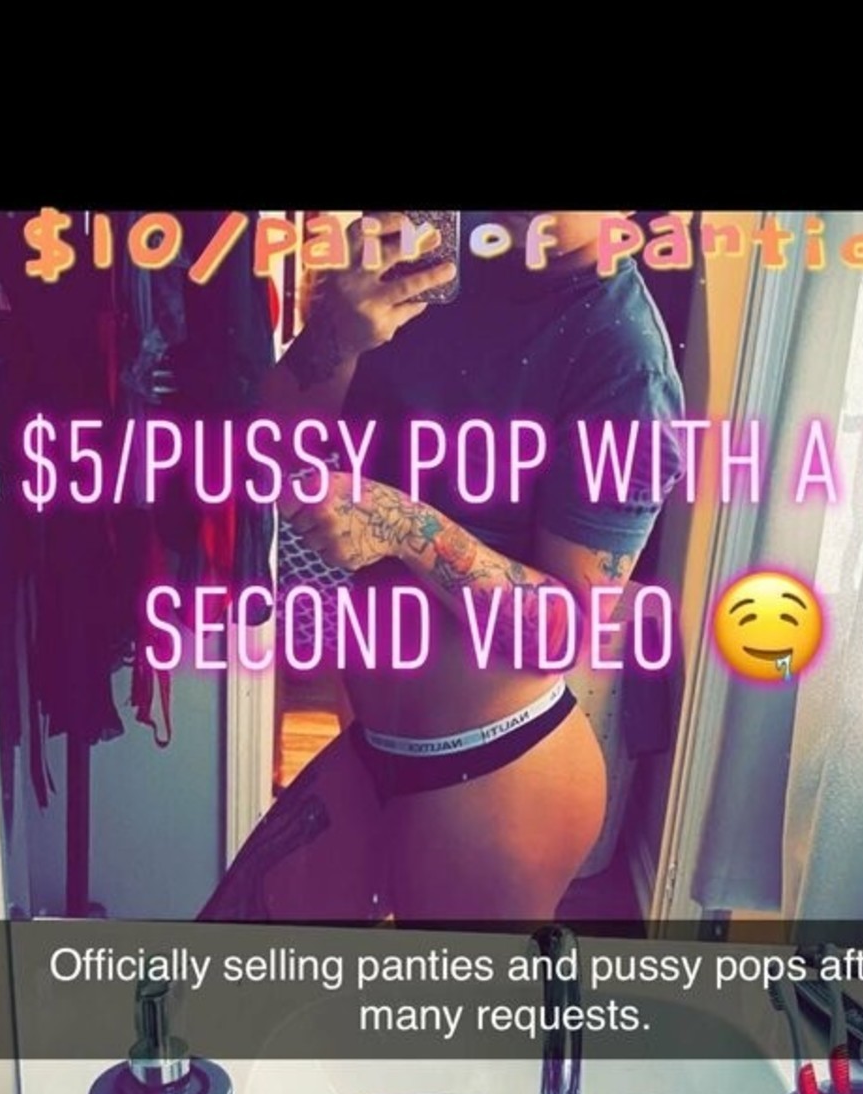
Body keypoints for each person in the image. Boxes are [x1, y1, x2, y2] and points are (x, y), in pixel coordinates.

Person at [199, 210, 687, 925]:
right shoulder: (431, 260)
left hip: (497, 766)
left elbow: (566, 633)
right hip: (375, 744)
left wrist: (403, 526)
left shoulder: (625, 362)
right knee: (227, 965)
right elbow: (267, 449)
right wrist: (337, 336)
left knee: (438, 1001)